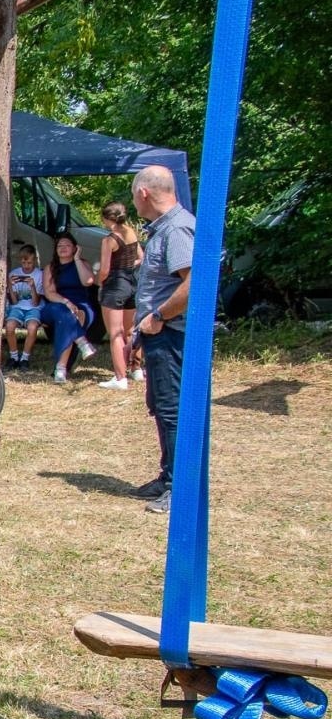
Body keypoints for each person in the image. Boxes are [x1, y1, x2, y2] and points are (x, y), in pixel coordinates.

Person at [128, 164, 194, 514]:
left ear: (143, 193)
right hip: (157, 333)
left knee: (173, 410)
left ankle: (179, 488)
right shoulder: (163, 229)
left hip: (170, 333)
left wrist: (158, 317)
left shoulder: (177, 228)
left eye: (134, 197)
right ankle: (167, 476)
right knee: (162, 406)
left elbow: (192, 282)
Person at [95, 202, 143, 390]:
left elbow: (105, 269)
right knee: (131, 330)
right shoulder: (131, 232)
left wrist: (99, 281)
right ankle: (136, 368)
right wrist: (129, 267)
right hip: (132, 282)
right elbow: (141, 257)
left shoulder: (109, 240)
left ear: (106, 219)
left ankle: (120, 377)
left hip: (114, 285)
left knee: (116, 333)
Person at [40, 232, 99, 384]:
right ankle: (82, 342)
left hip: (81, 305)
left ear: (75, 248)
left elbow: (88, 282)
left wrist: (77, 259)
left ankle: (61, 369)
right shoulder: (50, 267)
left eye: (67, 245)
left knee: (68, 319)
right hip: (56, 304)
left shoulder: (82, 263)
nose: (63, 248)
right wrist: (66, 302)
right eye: (59, 246)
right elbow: (49, 293)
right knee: (66, 314)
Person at [5, 244, 45, 368]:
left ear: (35, 261)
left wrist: (32, 286)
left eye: (30, 263)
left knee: (32, 328)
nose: (27, 266)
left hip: (33, 308)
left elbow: (35, 302)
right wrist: (10, 286)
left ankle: (25, 358)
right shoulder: (14, 274)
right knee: (9, 326)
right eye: (24, 263)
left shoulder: (39, 275)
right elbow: (14, 302)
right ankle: (14, 357)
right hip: (17, 307)